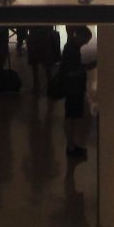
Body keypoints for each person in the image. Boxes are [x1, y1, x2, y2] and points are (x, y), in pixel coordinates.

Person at [60, 25, 93, 160]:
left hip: (73, 87)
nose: (85, 43)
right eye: (85, 40)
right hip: (73, 87)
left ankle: (71, 144)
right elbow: (72, 71)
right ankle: (70, 146)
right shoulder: (71, 50)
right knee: (71, 116)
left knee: (71, 116)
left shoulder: (71, 47)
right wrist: (88, 67)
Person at [26, 25, 61, 94]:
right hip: (44, 36)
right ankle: (49, 84)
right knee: (47, 63)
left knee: (35, 63)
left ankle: (37, 84)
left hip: (35, 35)